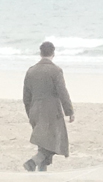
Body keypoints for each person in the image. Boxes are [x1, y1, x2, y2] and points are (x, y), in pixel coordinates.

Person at [21, 41, 74, 171]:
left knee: (43, 143)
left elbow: (26, 96)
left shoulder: (31, 71)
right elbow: (63, 92)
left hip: (34, 110)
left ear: (40, 53)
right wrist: (69, 111)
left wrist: (30, 113)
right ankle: (33, 162)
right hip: (51, 112)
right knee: (53, 143)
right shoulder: (55, 71)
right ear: (53, 53)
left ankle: (42, 172)